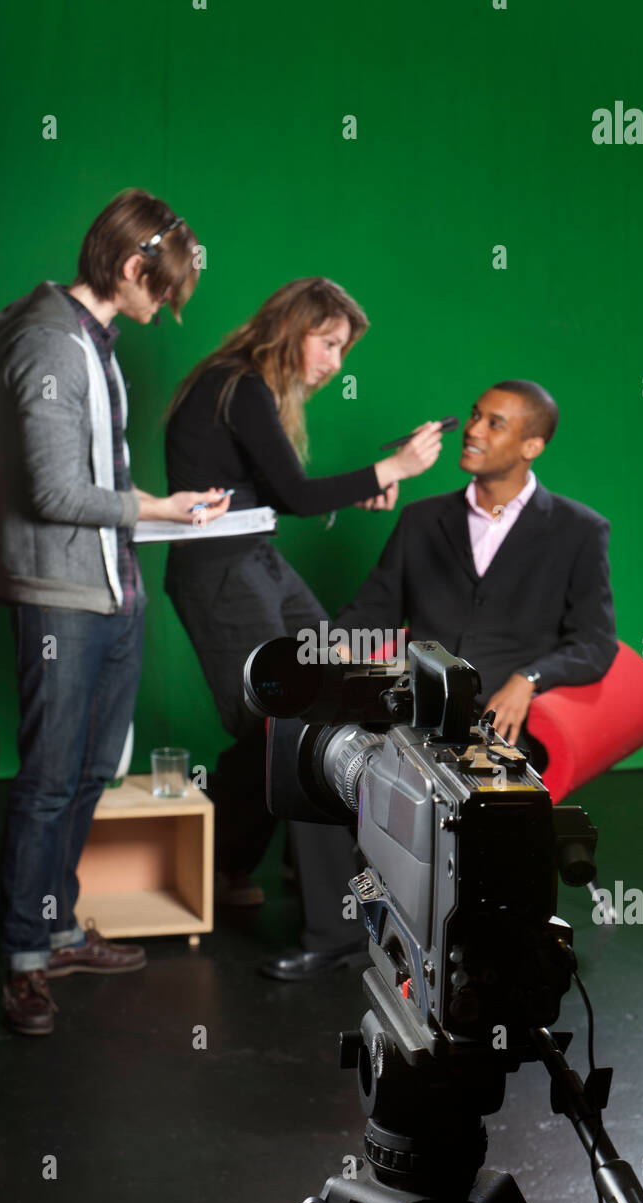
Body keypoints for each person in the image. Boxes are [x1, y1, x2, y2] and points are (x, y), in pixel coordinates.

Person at [0, 189, 230, 1036]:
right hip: (62, 597)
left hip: (114, 587)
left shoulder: (91, 339)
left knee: (90, 773)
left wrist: (155, 515)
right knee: (49, 780)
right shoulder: (51, 342)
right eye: (162, 292)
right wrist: (160, 508)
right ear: (131, 269)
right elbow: (52, 492)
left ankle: (54, 923)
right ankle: (23, 962)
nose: (163, 312)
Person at [163, 276, 442, 978]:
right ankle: (335, 927)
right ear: (294, 331)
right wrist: (392, 466)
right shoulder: (238, 384)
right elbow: (294, 495)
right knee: (297, 720)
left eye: (342, 350)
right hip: (220, 570)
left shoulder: (247, 389)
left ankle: (228, 864)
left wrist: (366, 482)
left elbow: (276, 497)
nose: (334, 364)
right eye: (329, 344)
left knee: (329, 693)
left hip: (254, 554)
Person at [335, 380, 618, 753]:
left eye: (494, 423)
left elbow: (594, 643)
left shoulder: (579, 529)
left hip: (503, 726)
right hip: (411, 712)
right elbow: (373, 611)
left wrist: (529, 679)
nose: (472, 430)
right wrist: (330, 649)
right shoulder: (420, 519)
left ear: (531, 446)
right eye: (474, 415)